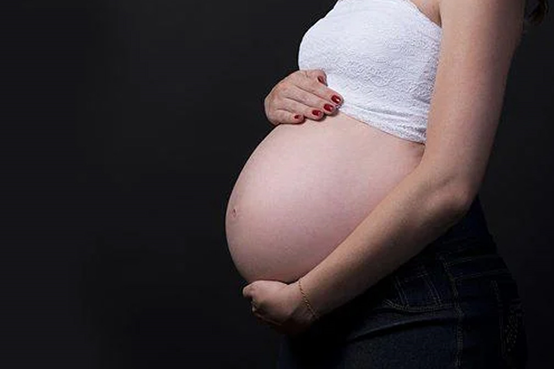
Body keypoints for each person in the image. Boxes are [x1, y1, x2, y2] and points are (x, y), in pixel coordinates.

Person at [243, 0, 549, 367]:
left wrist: (308, 299)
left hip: (412, 296)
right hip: (325, 302)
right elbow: (376, 89)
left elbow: (450, 185)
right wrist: (287, 96)